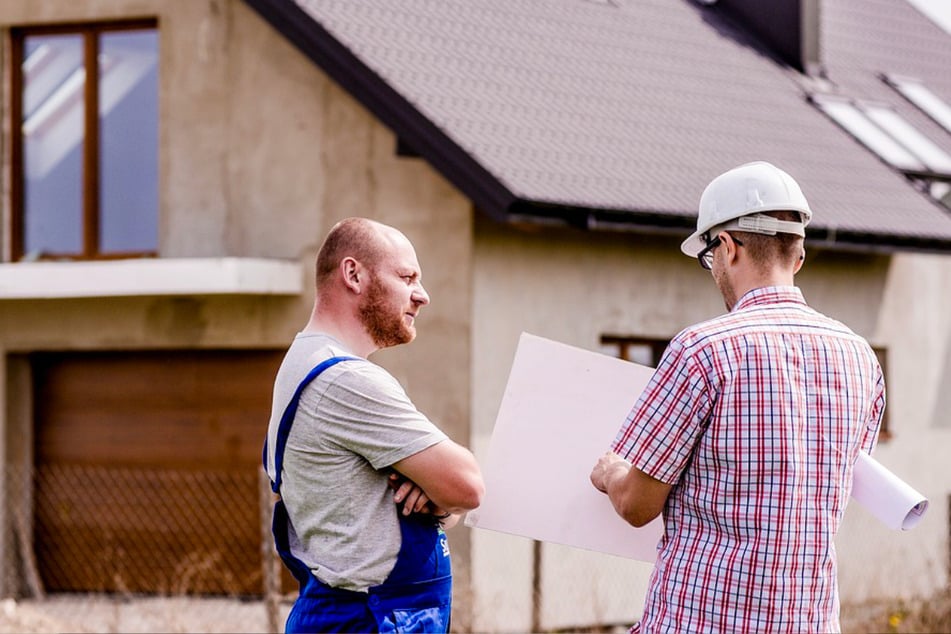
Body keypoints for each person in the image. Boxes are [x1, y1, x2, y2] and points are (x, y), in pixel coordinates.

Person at [590, 161, 885, 633]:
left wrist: (611, 475)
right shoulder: (861, 359)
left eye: (708, 257)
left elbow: (637, 506)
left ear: (726, 248)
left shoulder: (704, 350)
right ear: (799, 256)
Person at [263, 217, 484, 633]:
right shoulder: (345, 380)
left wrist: (437, 500)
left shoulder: (305, 362)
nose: (423, 295)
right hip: (366, 619)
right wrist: (446, 492)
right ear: (353, 274)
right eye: (407, 277)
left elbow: (448, 501)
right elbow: (469, 485)